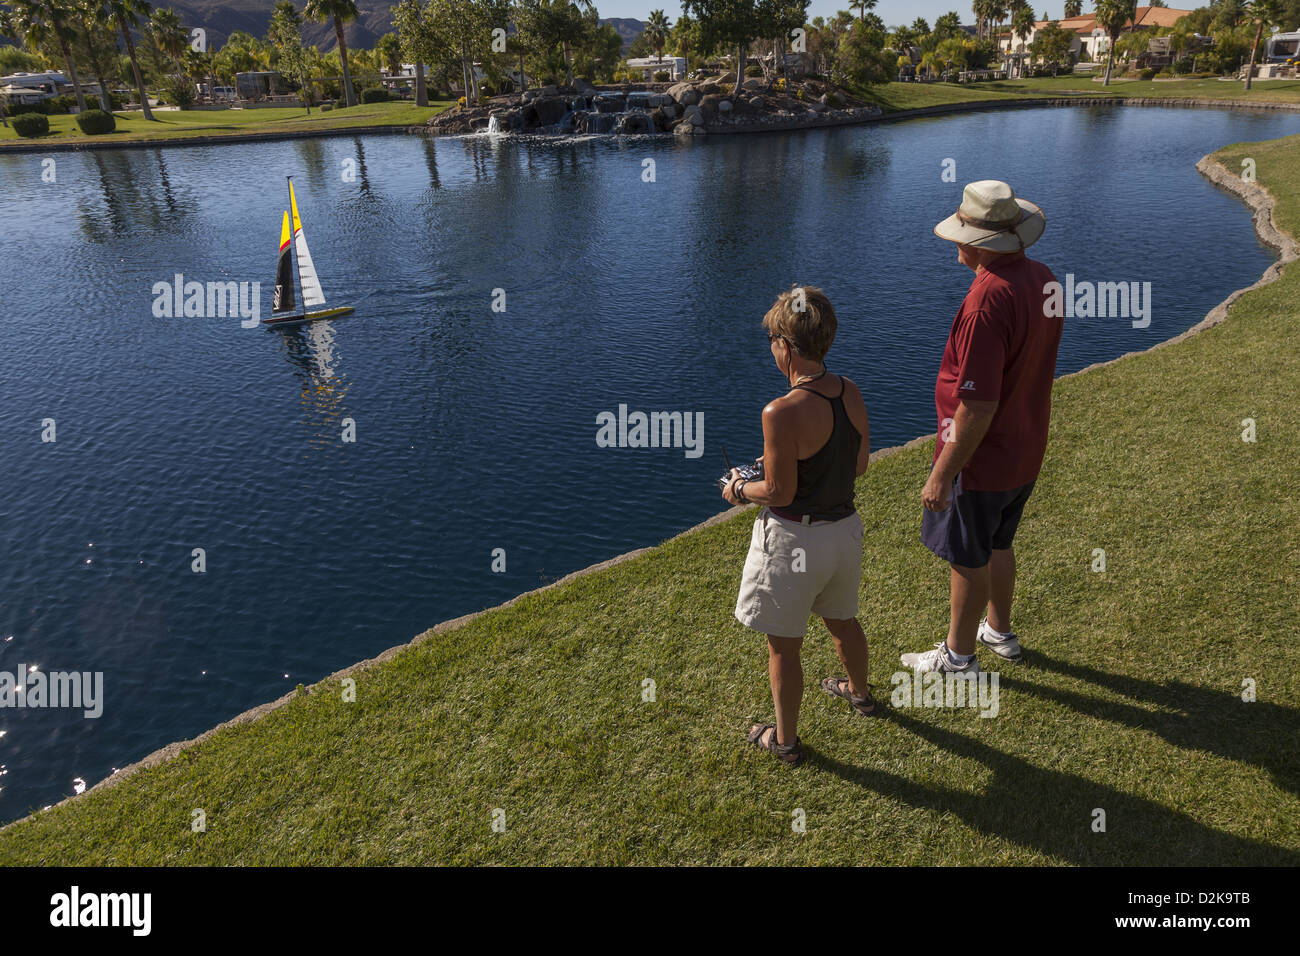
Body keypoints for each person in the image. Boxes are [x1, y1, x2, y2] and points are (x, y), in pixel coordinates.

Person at [901, 180, 1063, 675]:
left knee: (967, 556)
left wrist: (943, 474)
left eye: (961, 233)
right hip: (1026, 447)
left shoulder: (985, 303)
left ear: (975, 243)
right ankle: (999, 631)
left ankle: (959, 658)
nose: (954, 241)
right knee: (998, 542)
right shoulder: (1044, 278)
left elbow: (977, 405)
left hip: (983, 458)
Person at [723, 286, 874, 766]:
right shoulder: (850, 390)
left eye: (772, 338)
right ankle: (860, 694)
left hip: (794, 541)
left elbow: (780, 493)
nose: (771, 347)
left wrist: (739, 490)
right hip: (844, 533)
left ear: (786, 346)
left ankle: (785, 742)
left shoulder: (780, 411)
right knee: (843, 621)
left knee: (784, 647)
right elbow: (861, 464)